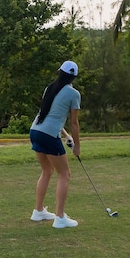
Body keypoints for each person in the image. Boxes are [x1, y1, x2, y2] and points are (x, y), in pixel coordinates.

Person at [28, 60, 81, 228]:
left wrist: (66, 136)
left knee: (47, 170)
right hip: (48, 135)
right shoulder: (74, 94)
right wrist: (77, 146)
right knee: (64, 174)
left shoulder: (50, 88)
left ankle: (38, 212)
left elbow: (51, 116)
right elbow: (74, 123)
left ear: (60, 73)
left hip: (35, 131)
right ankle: (60, 218)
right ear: (74, 77)